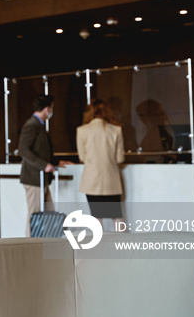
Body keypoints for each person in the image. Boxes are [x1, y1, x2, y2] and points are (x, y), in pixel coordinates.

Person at [18, 94, 69, 236]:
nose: (52, 111)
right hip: (34, 179)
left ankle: (47, 246)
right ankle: (29, 248)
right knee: (35, 215)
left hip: (42, 179)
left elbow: (41, 151)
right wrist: (44, 165)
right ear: (47, 109)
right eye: (51, 108)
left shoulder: (39, 126)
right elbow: (23, 150)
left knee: (49, 213)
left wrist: (55, 162)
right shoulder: (32, 125)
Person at [76, 98, 125, 228]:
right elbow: (120, 158)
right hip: (111, 180)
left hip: (92, 181)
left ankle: (100, 248)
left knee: (96, 217)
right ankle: (124, 246)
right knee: (117, 217)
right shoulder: (116, 130)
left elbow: (82, 157)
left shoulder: (82, 131)